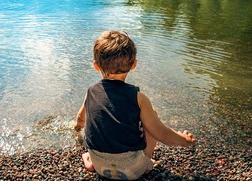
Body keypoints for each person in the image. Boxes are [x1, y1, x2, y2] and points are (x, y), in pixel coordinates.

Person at [74, 30, 197, 180]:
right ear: (133, 65)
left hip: (99, 165)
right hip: (133, 170)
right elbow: (161, 134)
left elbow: (81, 118)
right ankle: (147, 162)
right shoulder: (138, 98)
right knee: (152, 116)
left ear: (96, 66)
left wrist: (77, 129)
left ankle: (90, 161)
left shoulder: (91, 92)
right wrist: (184, 140)